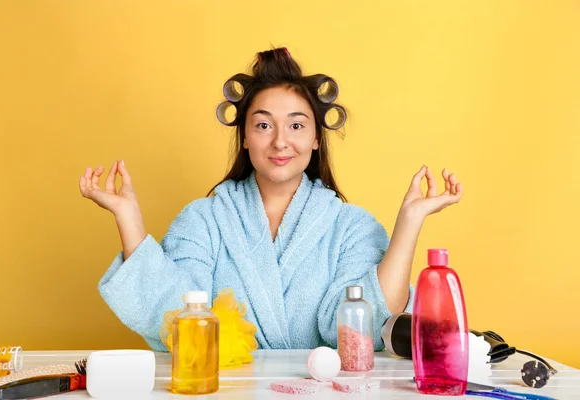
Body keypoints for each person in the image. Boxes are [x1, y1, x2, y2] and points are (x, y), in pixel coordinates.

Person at [79, 47, 463, 352]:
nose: (280, 141)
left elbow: (363, 327)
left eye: (296, 125)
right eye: (263, 125)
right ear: (244, 137)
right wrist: (128, 218)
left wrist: (409, 223)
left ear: (316, 139)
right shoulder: (203, 220)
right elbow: (177, 318)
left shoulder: (353, 227)